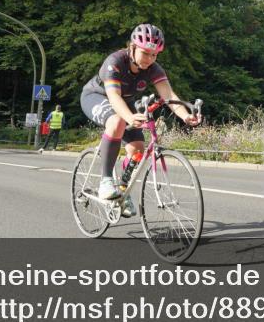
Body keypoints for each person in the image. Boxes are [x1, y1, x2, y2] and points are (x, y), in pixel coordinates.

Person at [79, 23, 201, 214]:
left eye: (155, 55)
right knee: (117, 121)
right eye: (145, 53)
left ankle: (121, 192)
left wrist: (185, 115)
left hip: (125, 102)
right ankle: (105, 182)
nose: (150, 59)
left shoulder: (154, 68)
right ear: (132, 47)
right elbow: (113, 98)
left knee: (137, 150)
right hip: (97, 96)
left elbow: (169, 95)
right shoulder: (115, 61)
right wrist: (128, 117)